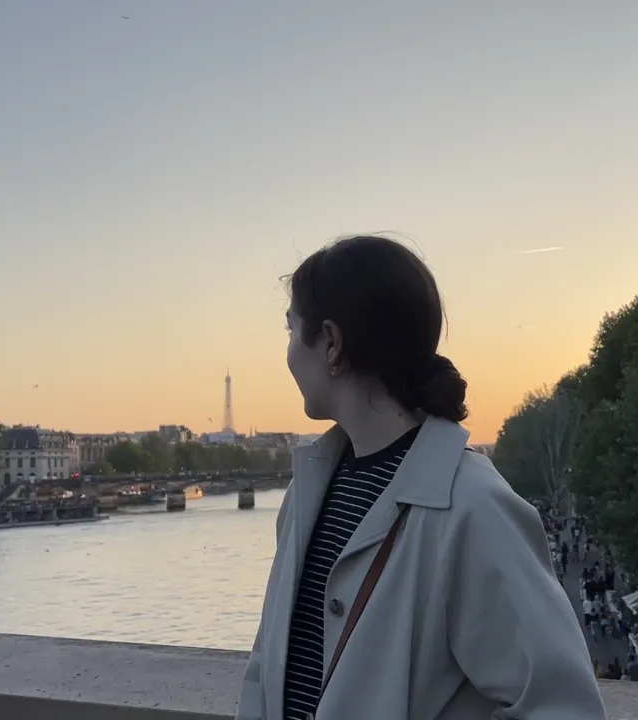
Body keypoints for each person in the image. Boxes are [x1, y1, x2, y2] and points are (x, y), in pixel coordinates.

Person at [235, 235, 606, 720]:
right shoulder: (307, 491)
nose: (286, 354)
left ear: (331, 342)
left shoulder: (472, 505)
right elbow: (269, 671)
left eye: (291, 330)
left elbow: (563, 708)